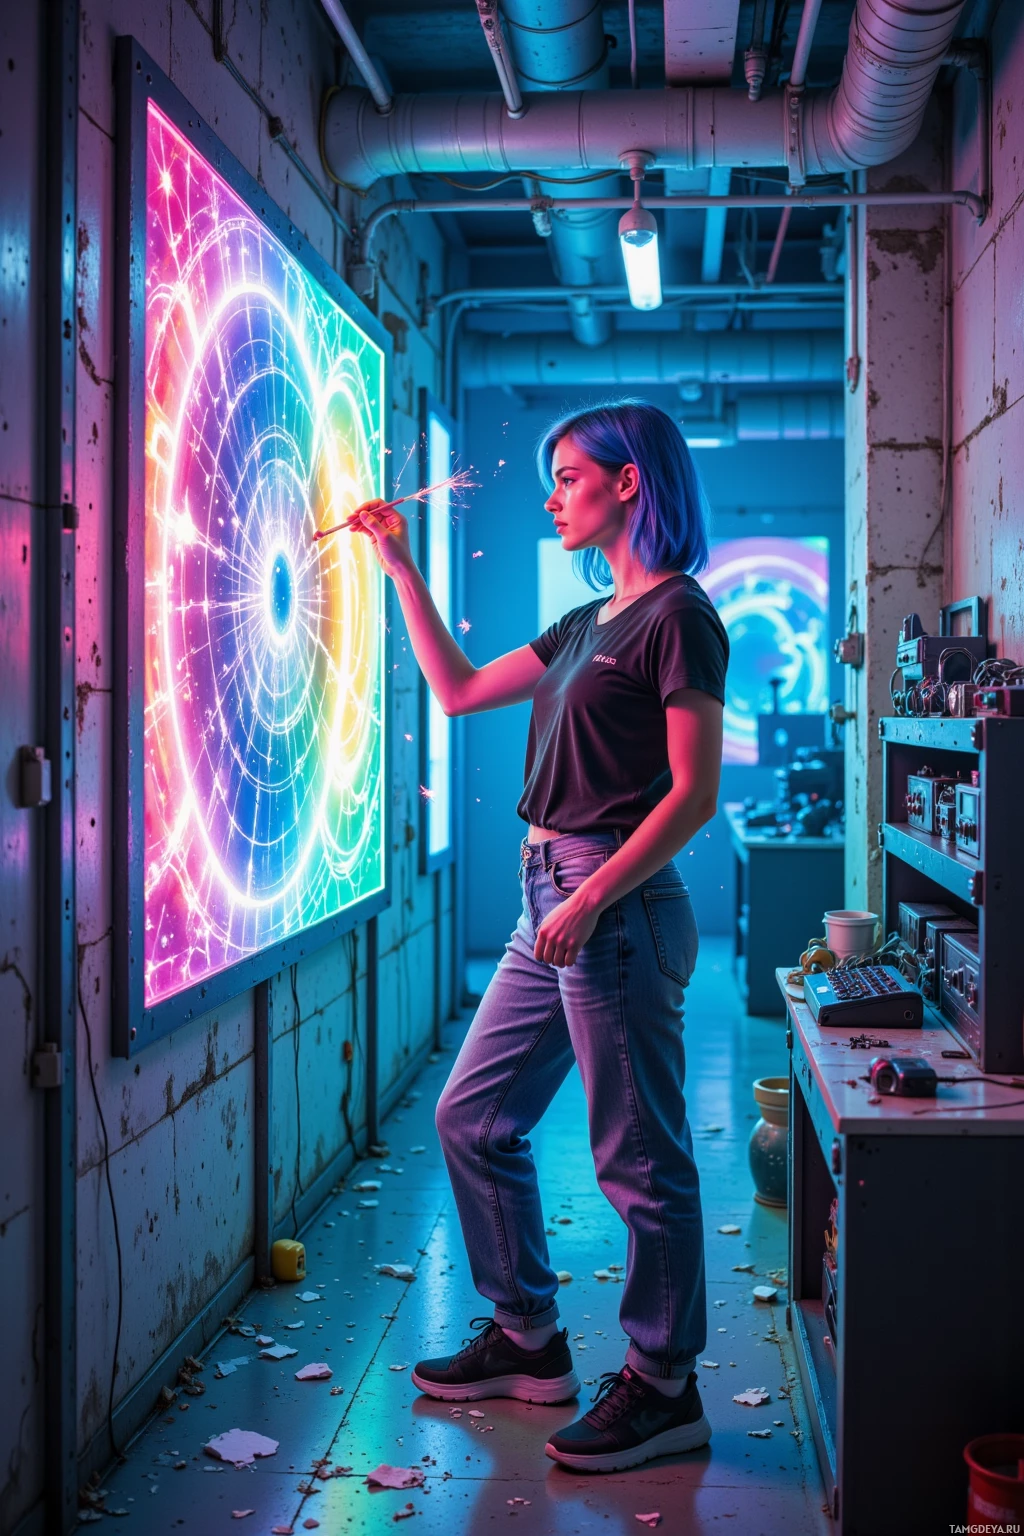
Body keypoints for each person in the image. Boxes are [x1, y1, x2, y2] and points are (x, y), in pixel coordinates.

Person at [345, 398, 728, 1474]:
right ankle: (529, 1339)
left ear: (628, 484)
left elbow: (693, 796)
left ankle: (663, 1386)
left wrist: (593, 893)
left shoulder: (677, 618)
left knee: (639, 1158)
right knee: (472, 1116)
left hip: (610, 908)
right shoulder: (588, 620)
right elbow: (460, 690)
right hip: (546, 899)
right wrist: (400, 564)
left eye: (569, 476)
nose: (552, 494)